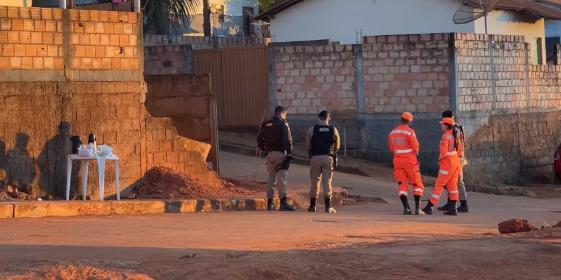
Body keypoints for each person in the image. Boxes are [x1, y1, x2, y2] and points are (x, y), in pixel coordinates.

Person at [257, 106, 296, 211]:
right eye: (285, 115)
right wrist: (289, 153)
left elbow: (259, 139)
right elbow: (287, 139)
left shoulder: (266, 124)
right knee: (281, 178)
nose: (285, 117)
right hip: (280, 154)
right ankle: (283, 203)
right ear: (282, 113)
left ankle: (270, 203)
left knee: (271, 178)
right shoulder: (283, 124)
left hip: (269, 154)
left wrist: (264, 149)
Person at [422, 117, 463, 216]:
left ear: (446, 126)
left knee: (439, 185)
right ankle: (453, 208)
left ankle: (429, 206)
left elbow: (443, 153)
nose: (441, 126)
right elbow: (460, 152)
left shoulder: (446, 137)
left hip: (447, 163)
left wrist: (440, 160)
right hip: (456, 162)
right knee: (452, 186)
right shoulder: (456, 136)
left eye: (442, 124)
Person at [388, 112, 425, 215]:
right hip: (410, 161)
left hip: (397, 162)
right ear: (409, 121)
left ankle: (406, 208)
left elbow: (391, 148)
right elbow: (416, 147)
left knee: (402, 185)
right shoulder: (410, 132)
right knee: (417, 184)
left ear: (401, 119)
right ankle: (418, 209)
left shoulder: (392, 132)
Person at [306, 111, 340, 214]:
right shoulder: (333, 129)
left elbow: (308, 144)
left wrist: (312, 153)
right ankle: (328, 207)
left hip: (315, 157)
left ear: (319, 118)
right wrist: (333, 153)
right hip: (327, 157)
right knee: (327, 182)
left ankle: (312, 206)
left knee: (314, 181)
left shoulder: (312, 129)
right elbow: (337, 145)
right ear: (328, 118)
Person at [436, 110, 469, 213]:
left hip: (456, 159)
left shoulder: (455, 129)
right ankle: (450, 203)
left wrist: (458, 159)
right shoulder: (454, 127)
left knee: (458, 181)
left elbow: (459, 147)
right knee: (451, 182)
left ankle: (463, 204)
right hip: (455, 159)